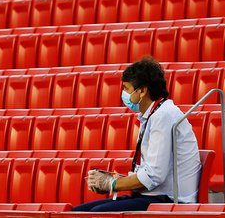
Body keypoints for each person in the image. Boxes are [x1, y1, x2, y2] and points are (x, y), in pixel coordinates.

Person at [72, 57, 203, 212]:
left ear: (142, 90)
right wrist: (118, 180)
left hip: (168, 200)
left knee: (96, 214)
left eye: (127, 88)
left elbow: (154, 176)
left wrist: (111, 184)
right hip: (152, 196)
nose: (124, 94)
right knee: (77, 212)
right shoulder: (153, 115)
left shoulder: (164, 115)